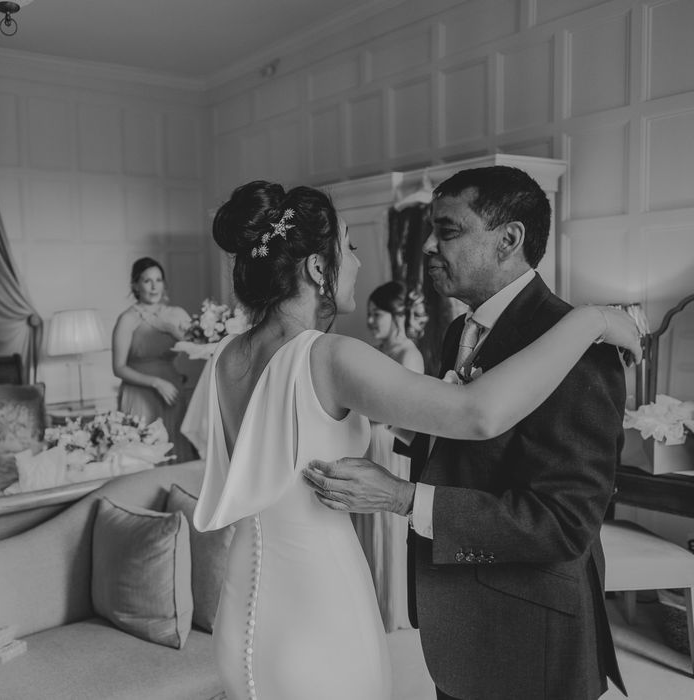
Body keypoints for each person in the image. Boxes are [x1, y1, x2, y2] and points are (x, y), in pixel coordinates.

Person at [191, 180, 640, 700]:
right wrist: (595, 318)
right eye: (350, 248)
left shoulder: (227, 356)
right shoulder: (332, 357)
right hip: (319, 599)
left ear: (509, 238)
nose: (357, 262)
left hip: (245, 597)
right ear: (318, 268)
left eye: (445, 231)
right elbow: (476, 414)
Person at [354, 280, 423, 631]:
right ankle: (370, 601)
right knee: (368, 522)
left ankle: (390, 606)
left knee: (387, 525)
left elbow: (406, 414)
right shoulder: (378, 350)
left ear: (397, 316)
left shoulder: (408, 355)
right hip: (370, 442)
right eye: (368, 313)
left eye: (375, 313)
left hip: (390, 446)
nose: (369, 320)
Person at [112, 256, 196, 463]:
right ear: (135, 285)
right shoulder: (127, 319)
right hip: (140, 393)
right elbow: (119, 368)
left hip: (172, 392)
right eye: (147, 280)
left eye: (158, 280)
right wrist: (156, 383)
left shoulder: (176, 314)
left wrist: (169, 327)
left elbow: (198, 347)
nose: (153, 286)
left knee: (176, 452)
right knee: (144, 453)